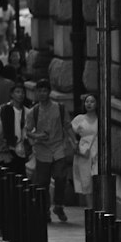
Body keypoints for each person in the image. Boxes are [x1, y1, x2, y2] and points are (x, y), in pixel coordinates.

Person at [26, 79, 70, 222]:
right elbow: (27, 131)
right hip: (42, 150)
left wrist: (73, 143)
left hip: (58, 148)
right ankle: (45, 210)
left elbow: (67, 127)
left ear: (49, 92)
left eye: (45, 90)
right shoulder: (34, 112)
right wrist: (37, 136)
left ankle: (58, 204)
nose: (42, 93)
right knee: (42, 182)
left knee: (61, 176)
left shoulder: (60, 108)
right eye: (39, 91)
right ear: (36, 93)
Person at [69, 93, 99, 207]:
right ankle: (91, 210)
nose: (89, 104)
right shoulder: (80, 119)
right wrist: (74, 144)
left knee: (97, 178)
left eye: (92, 101)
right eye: (87, 101)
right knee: (86, 182)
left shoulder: (100, 119)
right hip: (84, 152)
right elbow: (69, 130)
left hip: (97, 151)